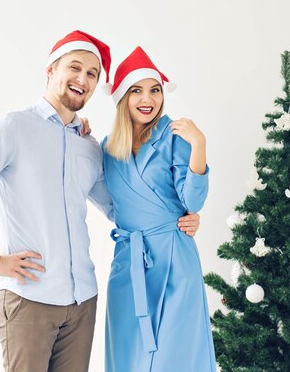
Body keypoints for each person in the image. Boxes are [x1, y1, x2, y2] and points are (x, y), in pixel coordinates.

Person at [0, 31, 200, 372]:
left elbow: (118, 207)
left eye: (92, 74)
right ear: (52, 68)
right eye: (75, 67)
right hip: (29, 299)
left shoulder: (89, 145)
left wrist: (179, 217)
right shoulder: (13, 127)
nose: (82, 79)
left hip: (82, 303)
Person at [101, 47, 217, 372]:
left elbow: (192, 201)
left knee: (175, 358)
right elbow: (104, 199)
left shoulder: (174, 136)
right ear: (123, 96)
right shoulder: (107, 149)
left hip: (175, 259)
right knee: (128, 356)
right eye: (137, 90)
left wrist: (200, 144)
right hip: (128, 260)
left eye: (155, 89)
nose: (147, 98)